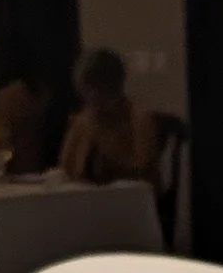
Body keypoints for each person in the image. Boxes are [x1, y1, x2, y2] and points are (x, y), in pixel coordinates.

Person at [59, 47, 162, 187]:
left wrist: (103, 142)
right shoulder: (84, 120)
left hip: (129, 198)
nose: (86, 98)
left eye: (90, 91)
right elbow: (66, 169)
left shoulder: (138, 118)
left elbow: (143, 171)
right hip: (89, 196)